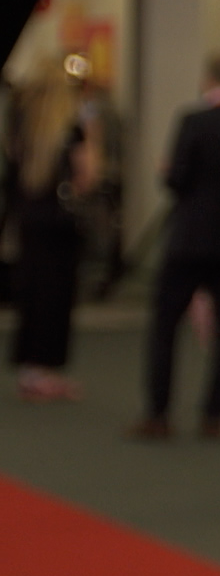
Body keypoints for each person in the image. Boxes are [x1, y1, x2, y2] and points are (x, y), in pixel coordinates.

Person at [129, 54, 220, 440]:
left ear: (208, 79)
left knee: (166, 324)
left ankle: (159, 413)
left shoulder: (194, 121)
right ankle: (214, 415)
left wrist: (167, 171)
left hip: (190, 238)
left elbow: (177, 179)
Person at [8, 58, 101, 403]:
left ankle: (30, 368)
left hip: (29, 218)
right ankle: (46, 368)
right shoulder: (71, 127)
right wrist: (93, 133)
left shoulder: (22, 124)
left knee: (32, 292)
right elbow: (87, 176)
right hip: (60, 224)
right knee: (56, 294)